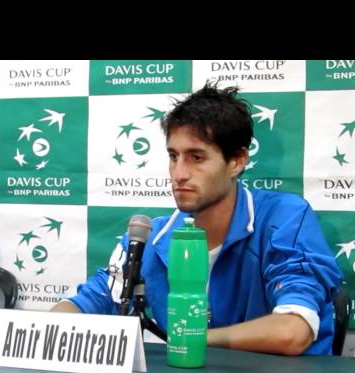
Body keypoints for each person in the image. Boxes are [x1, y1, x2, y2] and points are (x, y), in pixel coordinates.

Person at [53, 83, 343, 356]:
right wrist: (47, 330)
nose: (179, 174)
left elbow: (293, 331)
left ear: (237, 162)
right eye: (173, 156)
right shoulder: (151, 237)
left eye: (197, 158)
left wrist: (189, 340)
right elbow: (90, 303)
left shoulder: (283, 219)